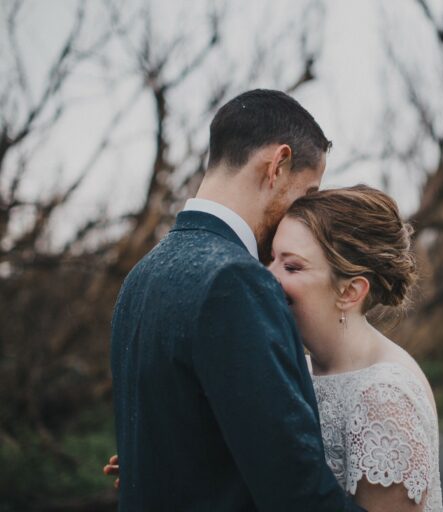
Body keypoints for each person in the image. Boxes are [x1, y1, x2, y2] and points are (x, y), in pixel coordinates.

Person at [108, 185, 443, 511]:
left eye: (292, 266)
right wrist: (158, 468)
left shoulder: (385, 396)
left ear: (350, 291)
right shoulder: (294, 367)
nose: (267, 276)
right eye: (270, 259)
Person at [109, 89, 365, 511]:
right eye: (307, 192)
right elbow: (296, 493)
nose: (303, 212)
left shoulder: (139, 277)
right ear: (278, 165)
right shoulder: (235, 281)